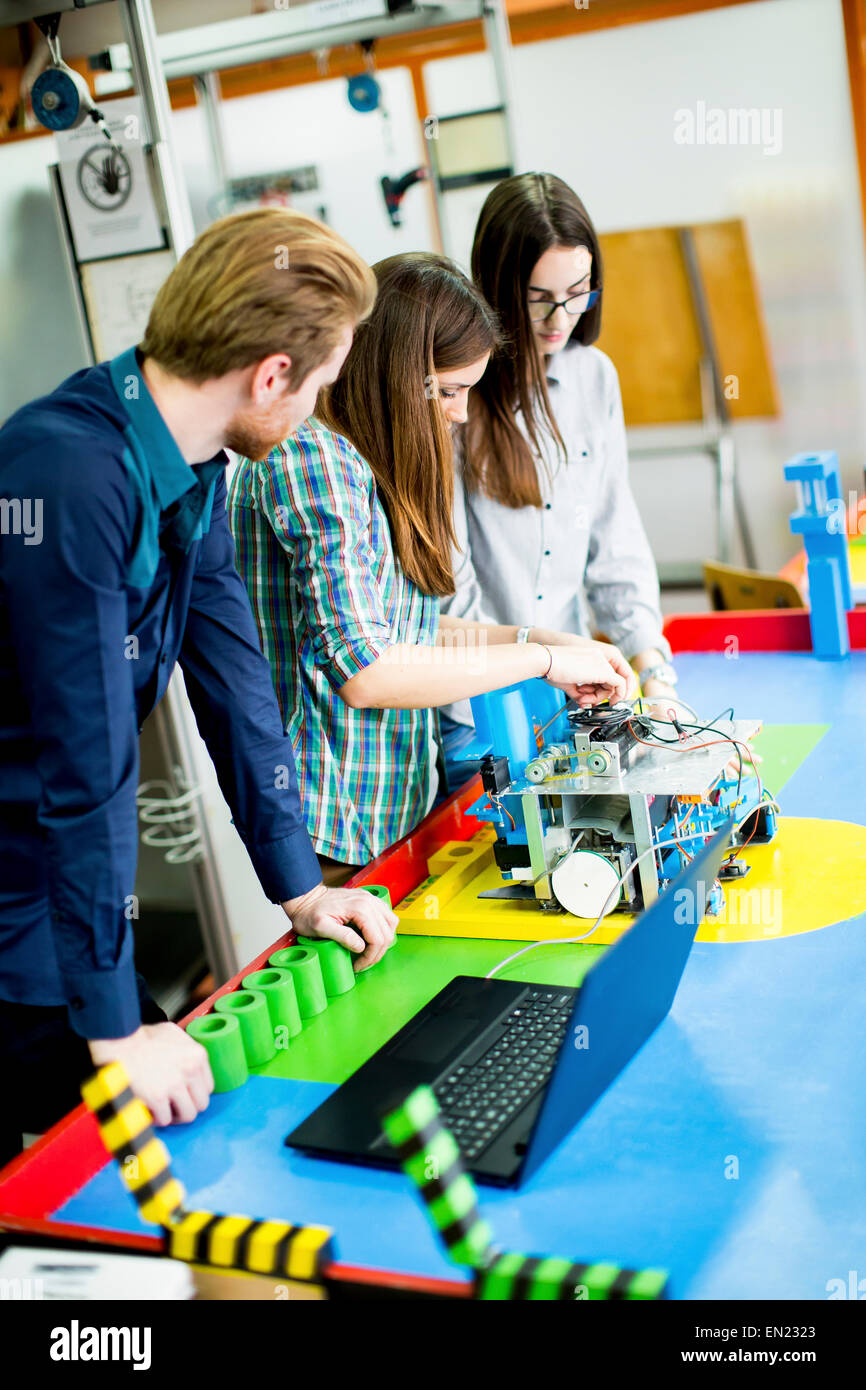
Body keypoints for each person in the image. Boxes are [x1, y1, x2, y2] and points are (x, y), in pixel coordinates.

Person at [0, 208, 398, 1163]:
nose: (314, 411)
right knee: (100, 1157)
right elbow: (86, 764)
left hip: (42, 877)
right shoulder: (67, 474)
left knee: (157, 1125)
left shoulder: (196, 461)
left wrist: (299, 887)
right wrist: (114, 1032)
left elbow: (234, 678)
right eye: (322, 387)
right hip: (17, 886)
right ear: (271, 375)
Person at [229, 252, 634, 875]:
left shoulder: (362, 461)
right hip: (338, 821)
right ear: (395, 377)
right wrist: (542, 661)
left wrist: (540, 637)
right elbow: (367, 671)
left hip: (396, 806)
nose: (461, 413)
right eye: (448, 391)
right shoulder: (317, 463)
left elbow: (406, 628)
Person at [439, 172, 679, 784]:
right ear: (496, 289)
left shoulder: (594, 379)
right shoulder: (456, 397)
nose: (560, 317)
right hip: (477, 715)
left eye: (578, 293)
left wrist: (655, 674)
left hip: (573, 700)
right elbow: (449, 588)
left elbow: (613, 537)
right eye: (538, 297)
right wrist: (538, 666)